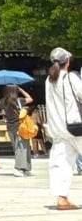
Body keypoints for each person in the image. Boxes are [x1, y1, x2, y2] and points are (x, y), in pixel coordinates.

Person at [43, 48, 82, 210]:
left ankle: (62, 197)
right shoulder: (70, 77)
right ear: (68, 61)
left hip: (58, 128)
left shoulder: (49, 80)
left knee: (61, 163)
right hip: (76, 126)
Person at [1, 84, 35, 178]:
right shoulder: (19, 101)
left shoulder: (2, 101)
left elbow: (4, 114)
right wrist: (21, 90)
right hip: (20, 126)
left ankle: (25, 168)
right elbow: (30, 98)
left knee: (18, 148)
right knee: (23, 148)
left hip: (10, 127)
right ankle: (19, 168)